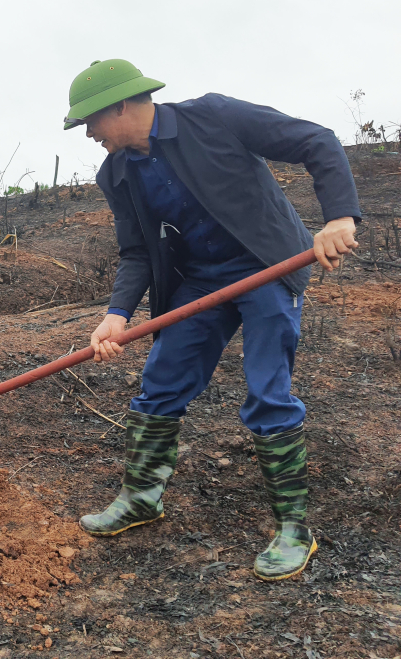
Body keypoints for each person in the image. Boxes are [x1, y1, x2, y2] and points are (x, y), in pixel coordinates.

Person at [64, 59, 361, 581]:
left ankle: (295, 527)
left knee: (267, 390)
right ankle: (141, 497)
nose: (88, 133)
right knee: (160, 381)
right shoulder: (116, 172)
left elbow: (318, 141)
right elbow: (136, 252)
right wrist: (115, 315)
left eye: (91, 120)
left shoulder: (215, 117)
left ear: (122, 105)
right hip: (199, 282)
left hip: (266, 264)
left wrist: (338, 218)